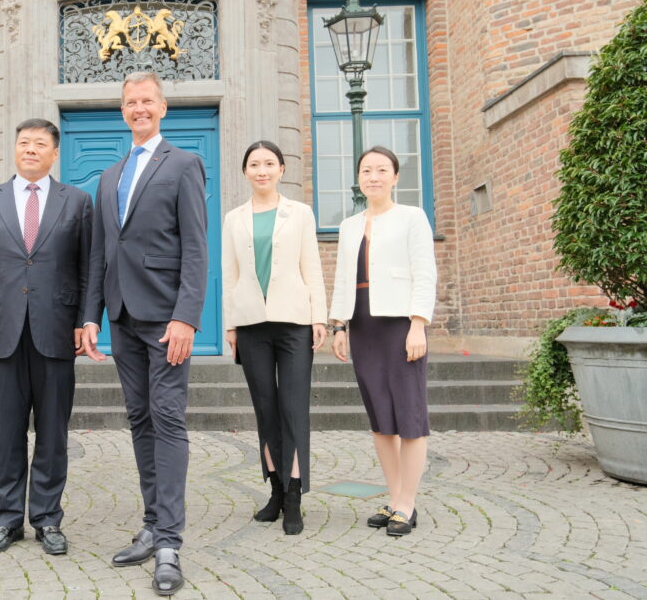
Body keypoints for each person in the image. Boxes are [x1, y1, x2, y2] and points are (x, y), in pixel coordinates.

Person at [82, 71, 208, 597]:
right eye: (131, 102)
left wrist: (186, 316)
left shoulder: (182, 164)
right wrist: (91, 316)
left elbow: (197, 247)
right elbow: (99, 255)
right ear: (123, 110)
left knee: (168, 418)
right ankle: (153, 526)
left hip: (165, 318)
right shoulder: (109, 176)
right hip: (123, 318)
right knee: (138, 418)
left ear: (163, 107)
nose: (139, 108)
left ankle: (170, 542)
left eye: (147, 101)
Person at [0, 118, 92, 556]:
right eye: (24, 143)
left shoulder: (77, 202)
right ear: (14, 150)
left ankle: (48, 519)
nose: (31, 149)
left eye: (40, 144)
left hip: (57, 331)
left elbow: (90, 267)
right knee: (7, 431)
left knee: (53, 432)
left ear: (55, 153)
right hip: (2, 332)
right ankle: (6, 519)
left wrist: (86, 319)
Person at [329, 145, 436, 537]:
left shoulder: (412, 217)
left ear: (394, 177)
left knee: (409, 416)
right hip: (364, 328)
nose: (373, 176)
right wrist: (339, 325)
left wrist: (418, 324)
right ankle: (394, 498)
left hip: (400, 326)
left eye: (381, 170)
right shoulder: (348, 226)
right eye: (366, 170)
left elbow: (425, 273)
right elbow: (343, 278)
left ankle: (408, 503)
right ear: (358, 178)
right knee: (380, 420)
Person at [222, 140, 326, 536]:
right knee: (265, 408)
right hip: (251, 326)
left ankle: (296, 494)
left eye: (269, 163)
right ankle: (276, 490)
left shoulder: (299, 213)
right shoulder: (234, 218)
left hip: (294, 323)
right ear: (246, 171)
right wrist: (230, 326)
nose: (261, 170)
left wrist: (319, 318)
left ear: (282, 169)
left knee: (293, 408)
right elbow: (230, 275)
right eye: (254, 164)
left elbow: (312, 267)